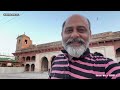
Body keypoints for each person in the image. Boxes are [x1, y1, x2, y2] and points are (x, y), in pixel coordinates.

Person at [49, 14, 120, 79]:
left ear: (90, 35)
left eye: (81, 30)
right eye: (69, 30)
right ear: (62, 35)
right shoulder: (57, 60)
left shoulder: (107, 67)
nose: (74, 35)